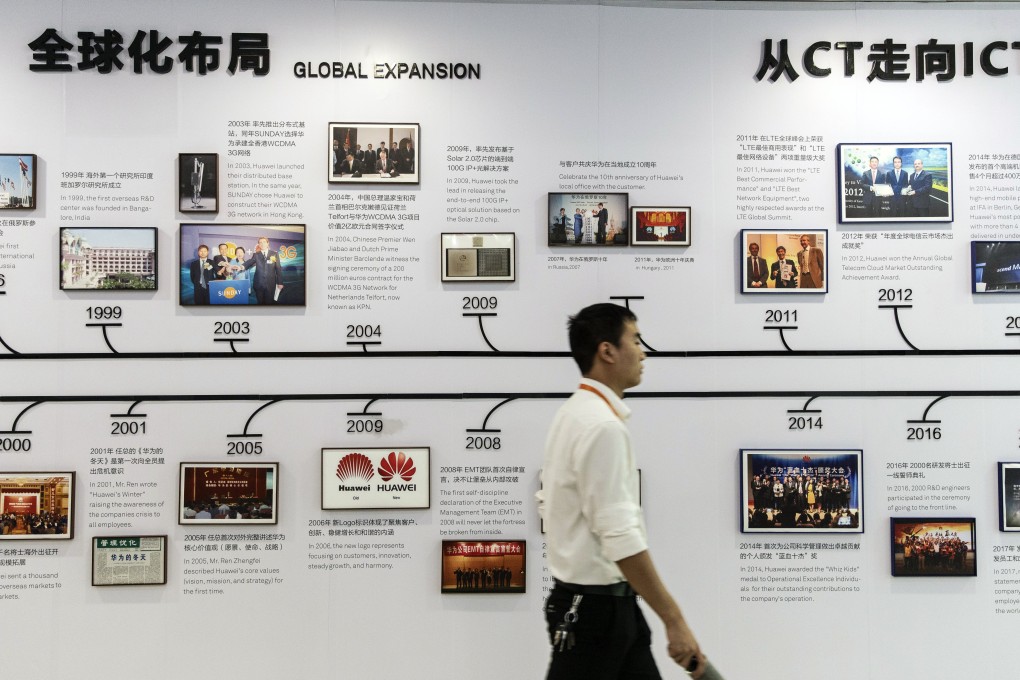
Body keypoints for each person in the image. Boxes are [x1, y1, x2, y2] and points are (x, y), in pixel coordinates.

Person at [537, 303, 706, 679]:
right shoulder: (601, 426)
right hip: (596, 616)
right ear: (607, 351)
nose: (643, 353)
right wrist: (674, 619)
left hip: (601, 606)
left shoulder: (574, 414)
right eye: (636, 340)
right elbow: (620, 536)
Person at [240, 236, 284, 304]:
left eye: (264, 242)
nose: (262, 244)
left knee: (269, 303)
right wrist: (242, 266)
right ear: (259, 245)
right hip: (258, 284)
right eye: (260, 242)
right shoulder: (256, 255)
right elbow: (250, 261)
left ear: (268, 243)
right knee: (260, 303)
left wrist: (280, 282)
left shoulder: (274, 254)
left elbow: (278, 268)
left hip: (270, 284)